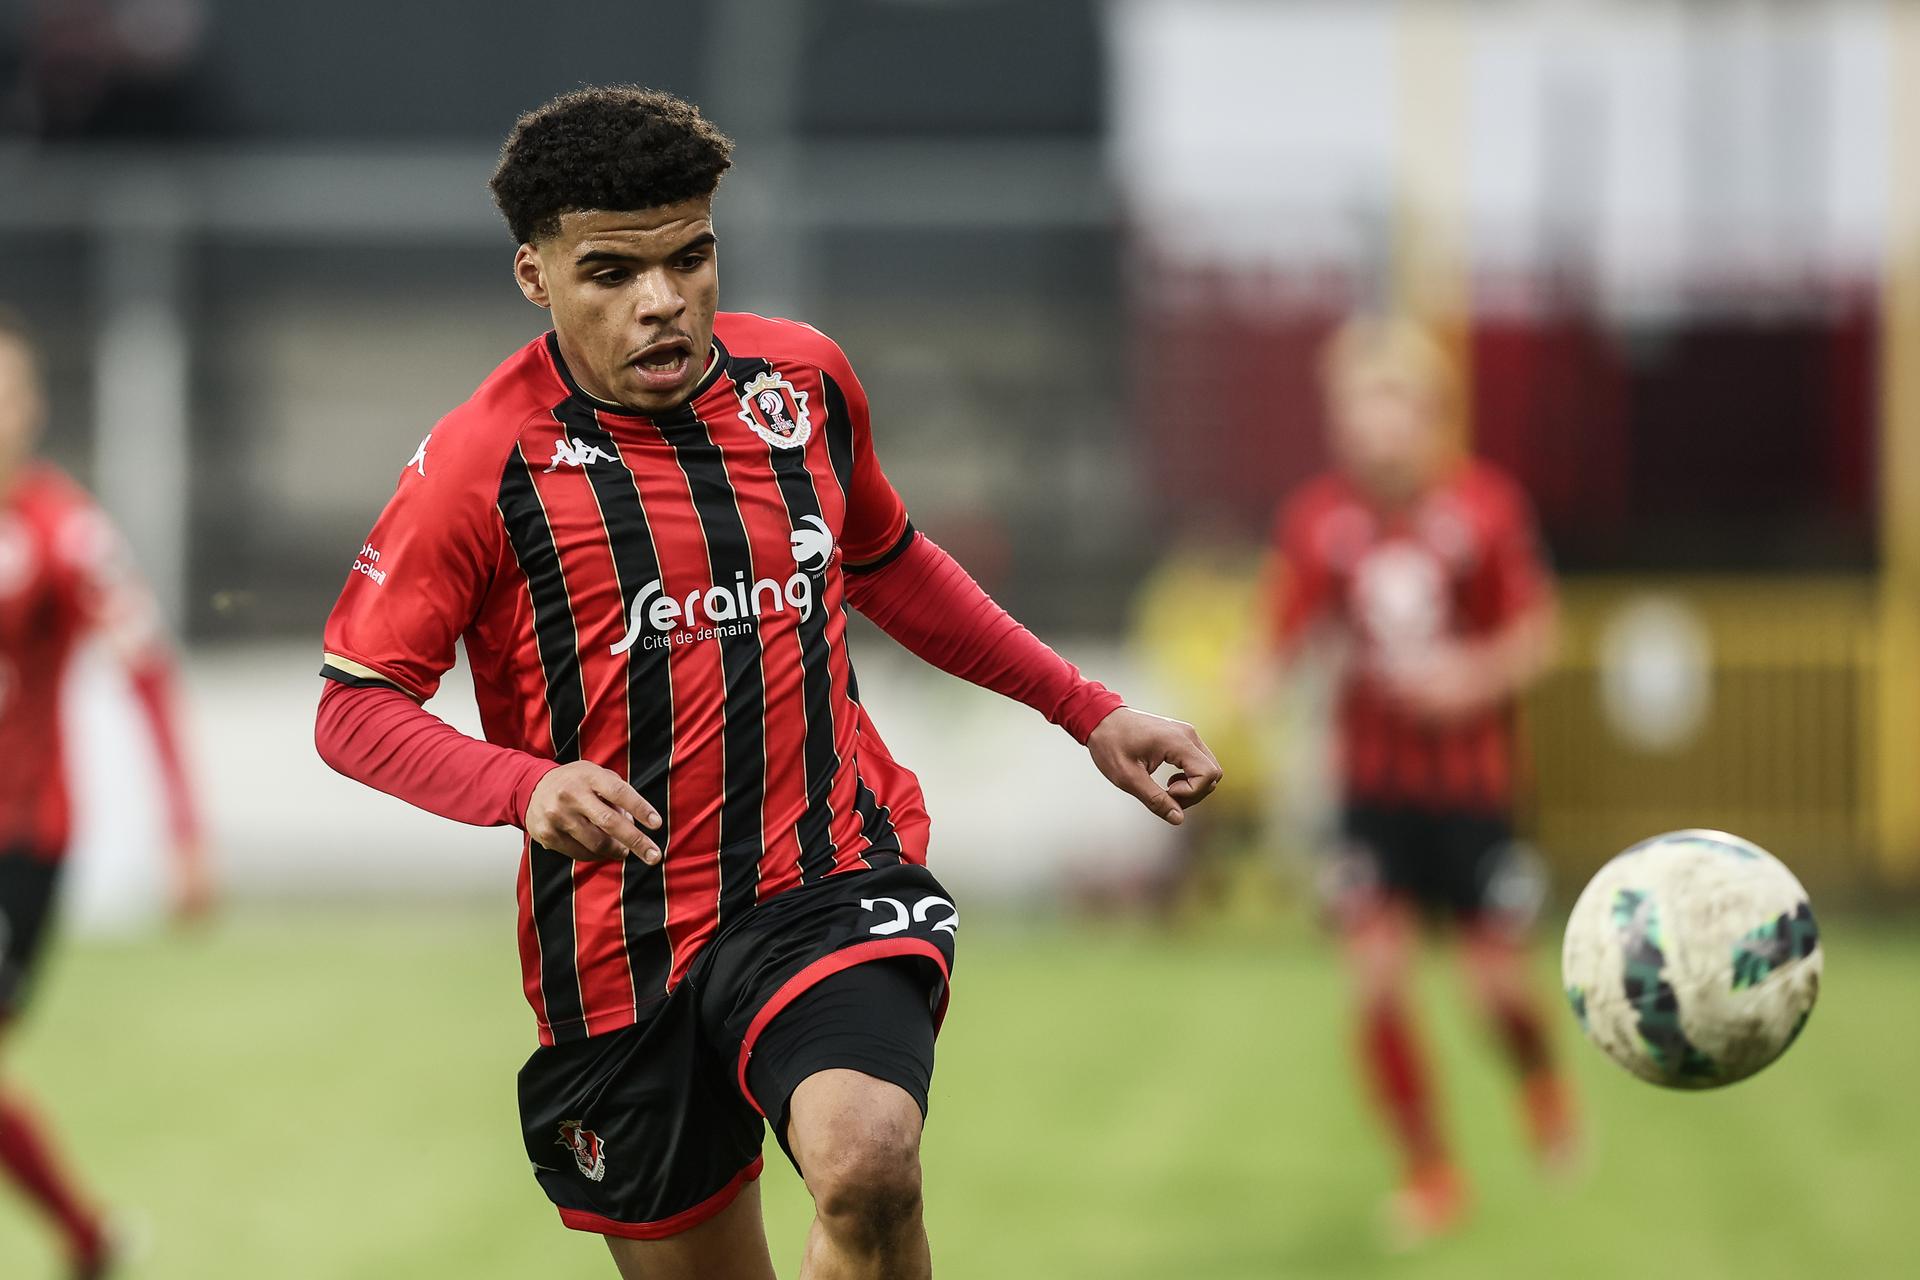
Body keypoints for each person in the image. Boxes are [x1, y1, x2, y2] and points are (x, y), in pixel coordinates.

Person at [313, 86, 1221, 1280]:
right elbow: (354, 705)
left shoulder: (801, 386)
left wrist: (1086, 707)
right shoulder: (479, 465)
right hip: (621, 945)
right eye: (611, 273)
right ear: (534, 277)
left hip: (825, 877)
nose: (661, 301)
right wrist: (523, 788)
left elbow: (891, 564)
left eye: (690, 257)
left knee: (869, 1160)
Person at [1263, 317, 1576, 1244]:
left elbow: (1538, 632)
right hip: (1371, 794)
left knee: (1495, 991)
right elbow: (1282, 632)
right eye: (1352, 406)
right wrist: (1251, 678)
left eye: (1386, 402)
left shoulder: (1484, 508)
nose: (1366, 425)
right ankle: (1432, 1174)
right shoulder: (1318, 519)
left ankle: (1541, 1082)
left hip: (1472, 794)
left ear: (1429, 413)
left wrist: (1471, 677)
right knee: (1379, 981)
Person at [0, 308, 210, 1278]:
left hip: (20, 841)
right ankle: (88, 1239)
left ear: (32, 404)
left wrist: (183, 830)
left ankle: (86, 1237)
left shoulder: (66, 532)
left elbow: (148, 673)